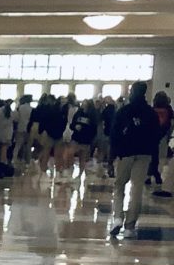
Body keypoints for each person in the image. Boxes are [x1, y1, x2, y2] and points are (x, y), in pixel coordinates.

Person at [110, 80, 161, 239]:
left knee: (119, 185)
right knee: (137, 189)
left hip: (126, 152)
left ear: (132, 92)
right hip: (145, 154)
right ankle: (130, 226)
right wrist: (154, 161)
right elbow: (156, 137)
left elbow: (114, 134)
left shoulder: (124, 111)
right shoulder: (150, 113)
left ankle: (118, 217)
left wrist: (111, 157)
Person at [149, 91, 171, 195]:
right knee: (161, 159)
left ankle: (149, 176)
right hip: (163, 137)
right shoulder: (169, 111)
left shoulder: (152, 110)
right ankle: (157, 176)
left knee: (151, 157)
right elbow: (170, 126)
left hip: (151, 137)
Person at [69, 99, 98, 176]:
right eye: (83, 103)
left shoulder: (92, 116)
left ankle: (80, 174)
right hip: (76, 138)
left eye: (85, 104)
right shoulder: (78, 113)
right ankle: (69, 171)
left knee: (82, 158)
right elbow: (72, 125)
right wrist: (75, 126)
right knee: (70, 154)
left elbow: (94, 129)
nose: (83, 105)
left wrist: (90, 138)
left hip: (86, 140)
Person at [12, 94, 34, 164]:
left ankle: (14, 159)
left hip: (20, 128)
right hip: (29, 129)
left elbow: (16, 118)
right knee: (28, 146)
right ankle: (28, 160)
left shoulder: (19, 108)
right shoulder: (31, 109)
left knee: (18, 145)